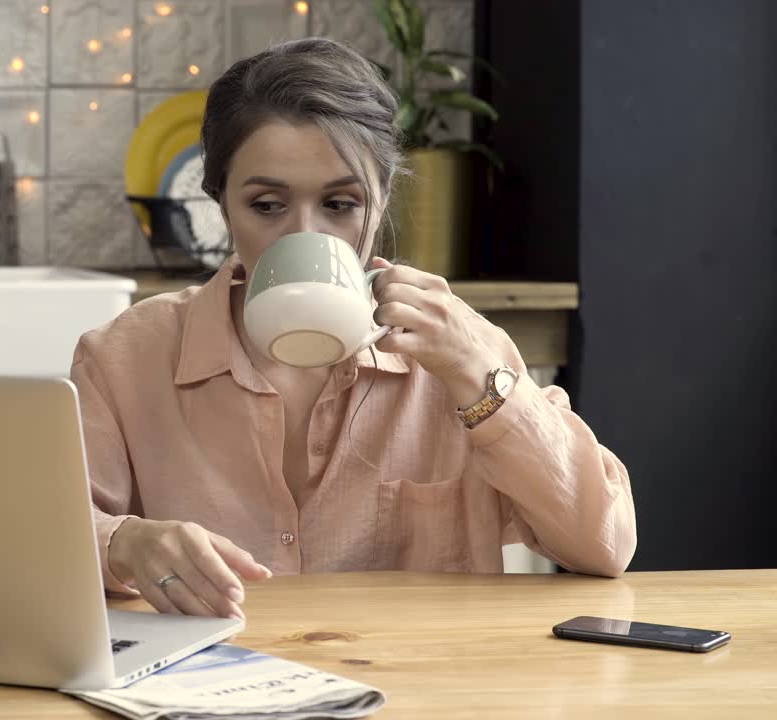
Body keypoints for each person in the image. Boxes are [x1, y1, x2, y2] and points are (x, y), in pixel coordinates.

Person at [70, 38, 636, 622]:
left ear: (382, 200)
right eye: (267, 205)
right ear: (221, 202)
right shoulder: (125, 357)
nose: (302, 235)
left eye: (340, 203)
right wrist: (123, 544)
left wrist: (481, 381)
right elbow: (39, 536)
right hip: (208, 694)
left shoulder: (463, 351)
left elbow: (605, 545)